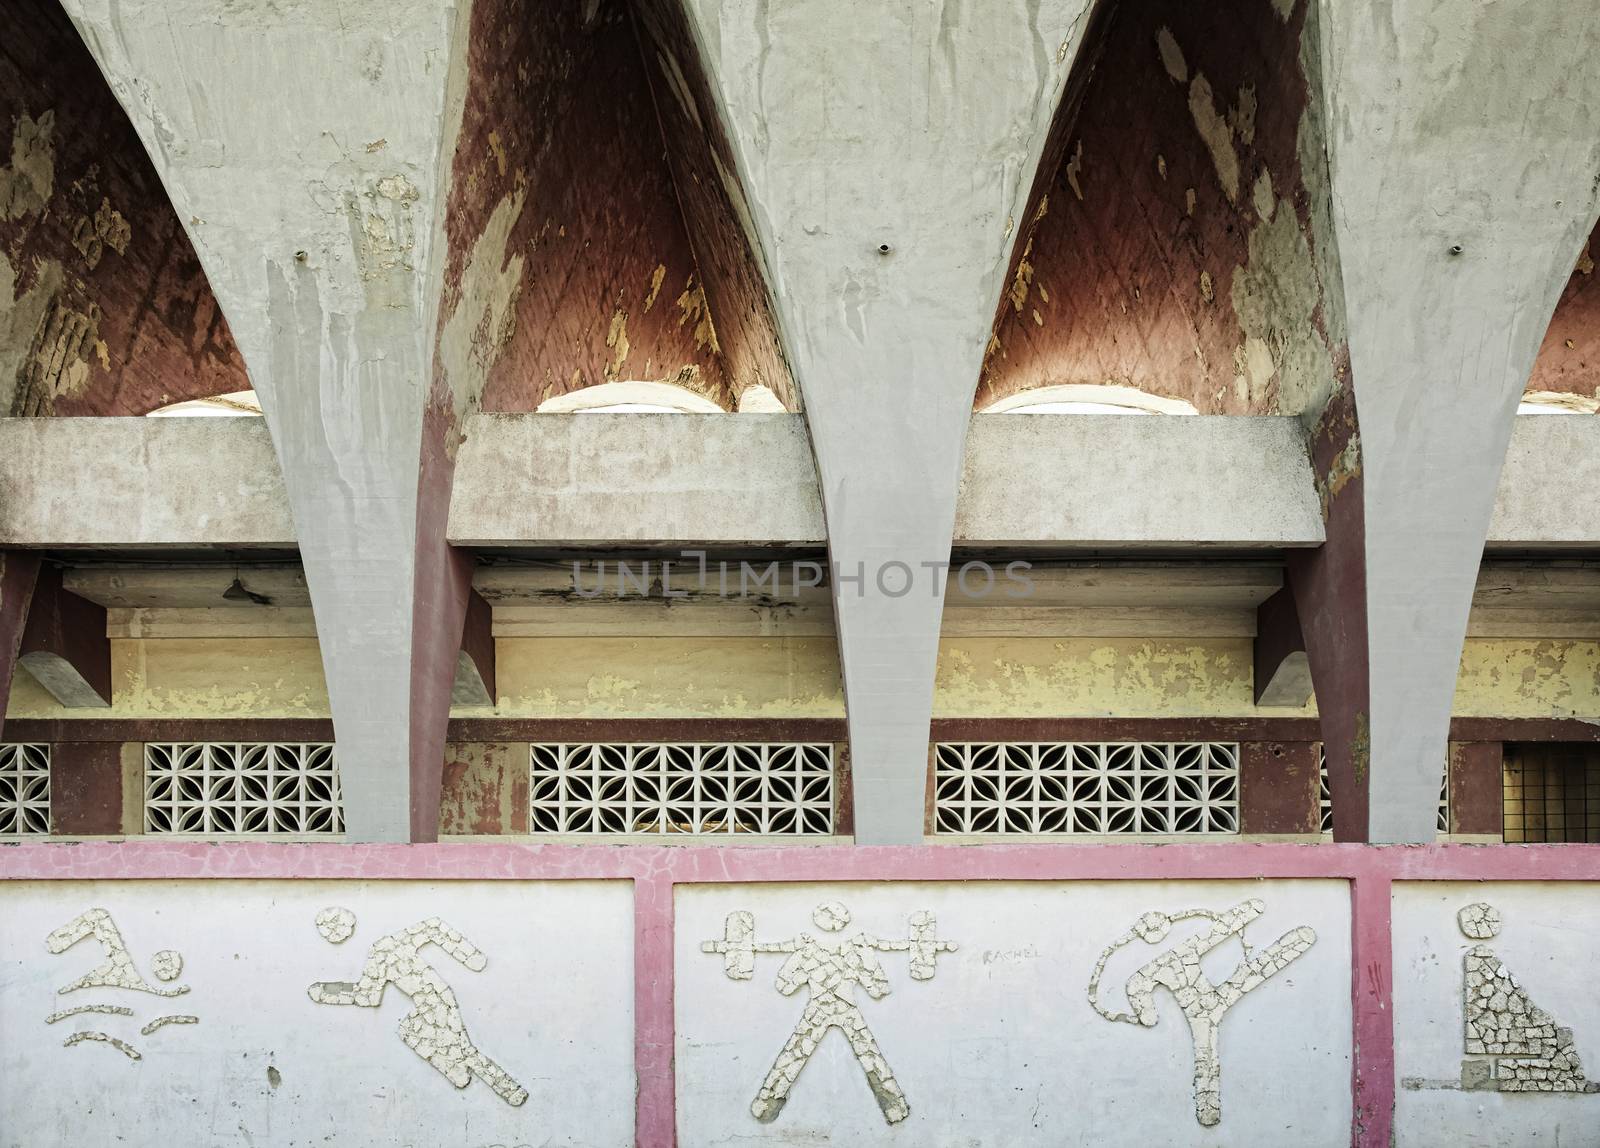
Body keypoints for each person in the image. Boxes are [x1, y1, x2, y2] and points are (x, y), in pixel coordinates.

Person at [307, 907, 528, 1107]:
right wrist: (325, 991)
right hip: (430, 1003)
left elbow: (368, 997)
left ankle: (505, 1089)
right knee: (413, 1032)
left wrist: (472, 957)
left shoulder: (381, 951)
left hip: (435, 1003)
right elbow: (370, 996)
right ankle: (458, 1073)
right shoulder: (385, 949)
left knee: (462, 1050)